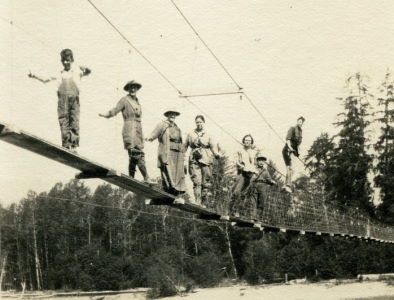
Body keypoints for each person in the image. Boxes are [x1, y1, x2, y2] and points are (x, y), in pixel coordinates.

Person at [28, 49, 91, 152]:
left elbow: (88, 72)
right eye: (64, 60)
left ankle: (74, 146)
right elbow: (45, 79)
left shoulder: (77, 72)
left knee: (74, 121)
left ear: (72, 60)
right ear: (61, 61)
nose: (66, 62)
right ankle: (66, 145)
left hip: (74, 100)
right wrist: (34, 75)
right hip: (63, 101)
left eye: (68, 60)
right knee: (64, 120)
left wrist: (86, 68)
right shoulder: (59, 74)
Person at [99, 80, 150, 182]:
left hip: (138, 130)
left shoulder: (137, 102)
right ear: (128, 89)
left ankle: (131, 177)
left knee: (135, 154)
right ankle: (146, 177)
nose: (133, 89)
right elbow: (115, 109)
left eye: (135, 87)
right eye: (131, 87)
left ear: (137, 89)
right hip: (129, 129)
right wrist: (107, 115)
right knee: (135, 153)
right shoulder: (124, 100)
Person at [147, 109, 186, 196]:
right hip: (167, 151)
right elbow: (154, 133)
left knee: (177, 172)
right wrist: (149, 138)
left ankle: (177, 192)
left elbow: (181, 141)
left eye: (174, 114)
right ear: (167, 115)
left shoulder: (177, 128)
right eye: (171, 114)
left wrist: (183, 154)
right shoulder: (162, 125)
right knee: (168, 170)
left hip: (177, 153)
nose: (173, 116)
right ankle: (169, 189)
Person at [184, 115, 221, 207]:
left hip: (206, 159)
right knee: (196, 182)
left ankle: (203, 203)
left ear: (203, 123)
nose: (199, 124)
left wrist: (217, 154)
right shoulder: (190, 134)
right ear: (195, 123)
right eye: (197, 122)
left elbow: (213, 147)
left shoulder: (208, 135)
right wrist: (182, 157)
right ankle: (197, 201)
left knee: (206, 183)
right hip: (194, 159)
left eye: (200, 122)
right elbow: (185, 146)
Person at [230, 134, 259, 216]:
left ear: (251, 142)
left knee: (244, 194)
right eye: (246, 140)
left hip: (250, 174)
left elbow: (255, 164)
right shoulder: (240, 151)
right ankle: (231, 209)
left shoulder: (254, 152)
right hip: (242, 173)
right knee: (236, 192)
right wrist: (241, 166)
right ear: (243, 141)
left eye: (249, 141)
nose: (247, 142)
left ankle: (238, 211)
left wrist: (255, 170)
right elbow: (236, 161)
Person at [250, 152, 277, 221]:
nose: (261, 162)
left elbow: (269, 179)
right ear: (257, 161)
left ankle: (258, 218)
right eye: (259, 160)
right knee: (253, 202)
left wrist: (272, 182)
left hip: (263, 186)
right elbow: (251, 176)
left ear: (264, 162)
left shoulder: (266, 171)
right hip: (255, 185)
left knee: (262, 202)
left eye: (263, 161)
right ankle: (253, 217)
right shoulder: (254, 169)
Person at [282, 116, 305, 193]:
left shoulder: (300, 132)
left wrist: (298, 151)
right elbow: (288, 139)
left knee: (293, 169)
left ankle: (287, 185)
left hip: (294, 152)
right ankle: (287, 185)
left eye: (301, 122)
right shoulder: (292, 128)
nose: (300, 123)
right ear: (297, 121)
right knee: (289, 168)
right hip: (288, 149)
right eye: (299, 121)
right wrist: (290, 148)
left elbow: (298, 144)